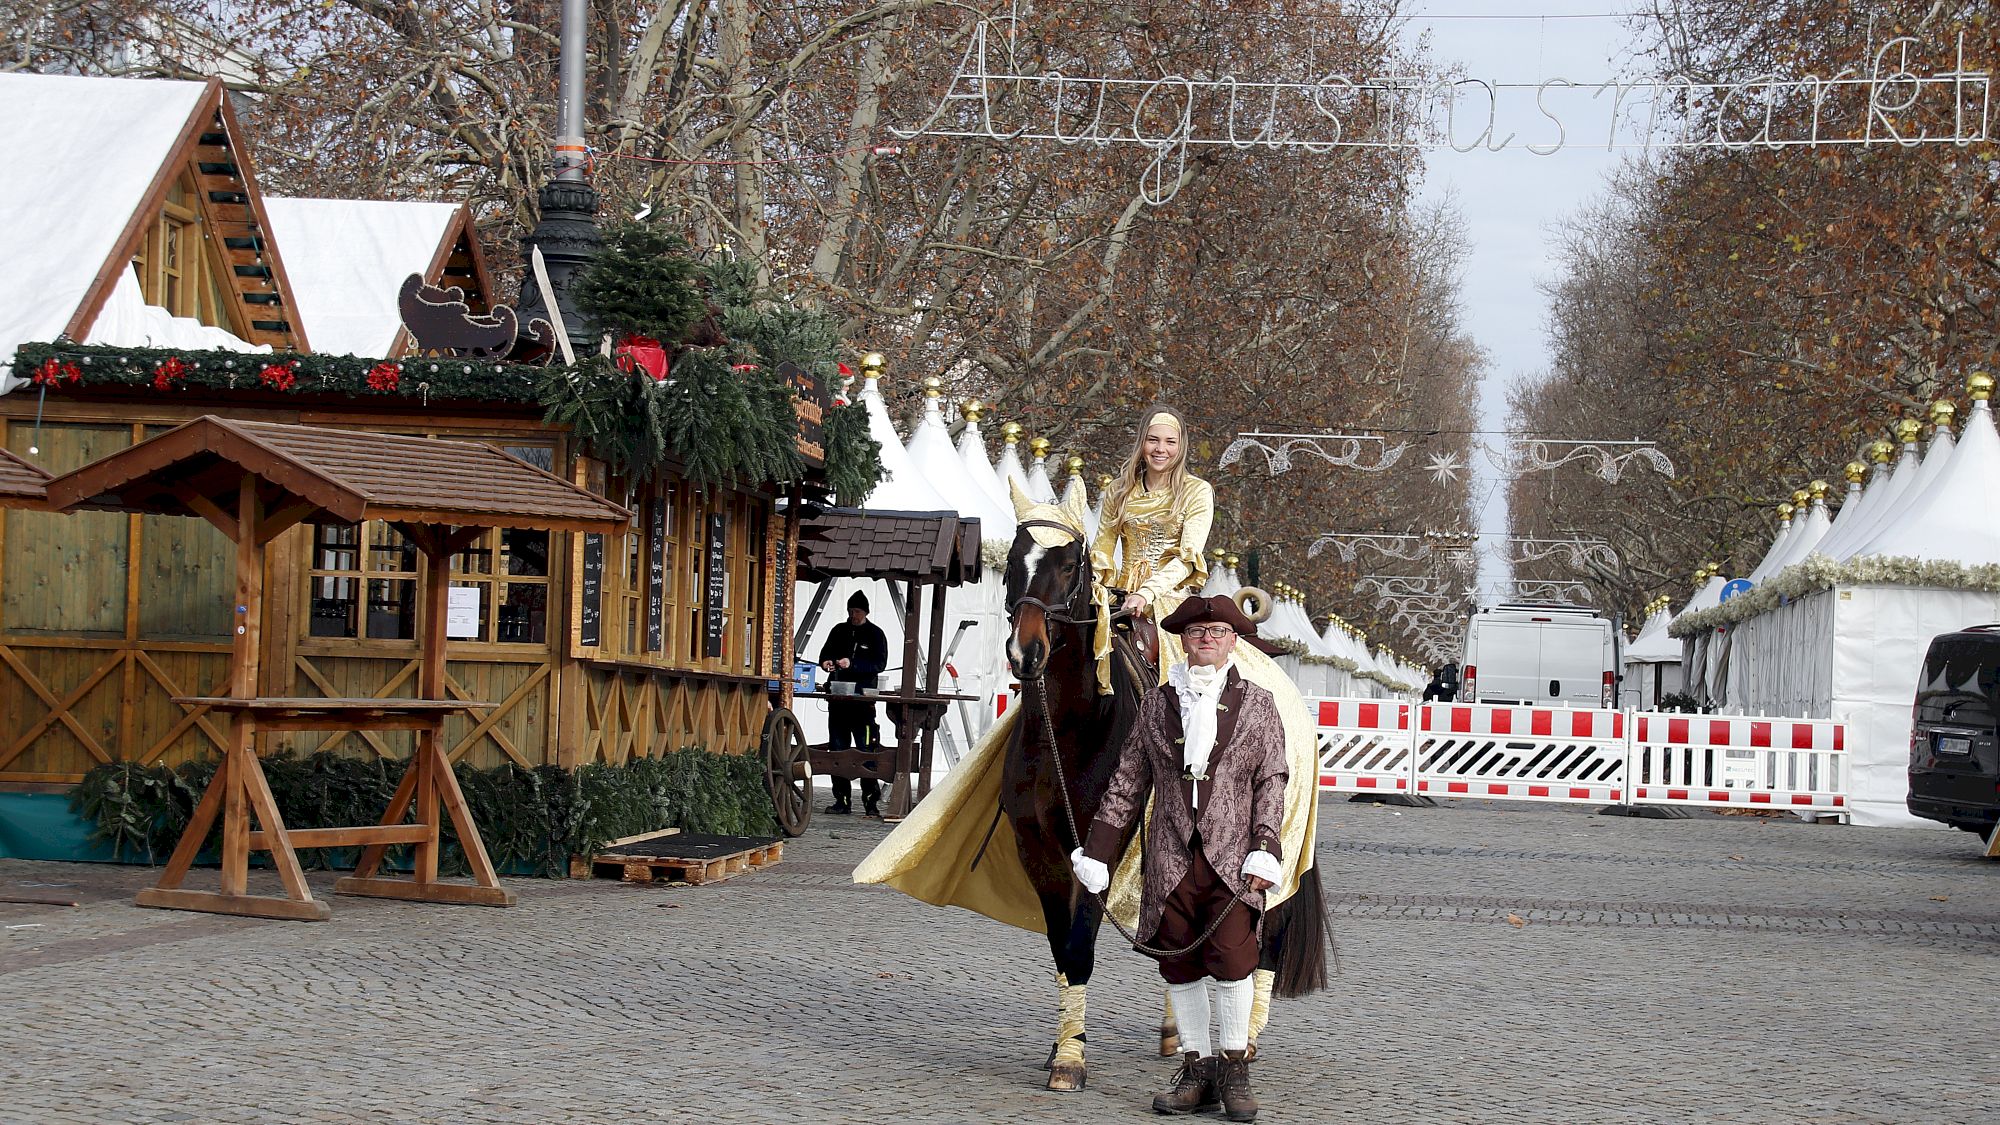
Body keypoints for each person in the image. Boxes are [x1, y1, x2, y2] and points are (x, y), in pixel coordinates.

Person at [1071, 595, 1286, 1122]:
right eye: (1196, 632)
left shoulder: (1259, 704)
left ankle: (1234, 1071)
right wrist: (1097, 851)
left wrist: (1265, 848)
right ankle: (1197, 1071)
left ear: (1234, 639)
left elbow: (1272, 781)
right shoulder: (1155, 706)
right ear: (1182, 640)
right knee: (1179, 962)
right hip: (1170, 858)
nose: (1206, 639)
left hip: (1234, 860)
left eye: (1216, 631)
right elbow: (1126, 782)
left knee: (1235, 962)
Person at [1088, 405, 1213, 691]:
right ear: (1142, 442)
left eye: (1170, 442)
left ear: (1181, 447)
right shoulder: (1118, 491)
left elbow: (1187, 558)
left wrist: (1146, 593)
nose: (1160, 449)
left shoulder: (1197, 491)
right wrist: (1094, 588)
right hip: (1119, 597)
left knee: (1191, 686)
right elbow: (1102, 551)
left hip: (1169, 600)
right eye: (1153, 440)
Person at [820, 590, 888, 817]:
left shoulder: (876, 634)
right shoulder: (838, 630)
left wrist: (853, 664)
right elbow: (825, 653)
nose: (853, 615)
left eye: (857, 611)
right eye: (850, 611)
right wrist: (827, 663)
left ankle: (871, 803)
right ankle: (842, 800)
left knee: (866, 750)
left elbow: (879, 664)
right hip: (838, 700)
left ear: (865, 612)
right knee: (837, 750)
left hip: (863, 704)